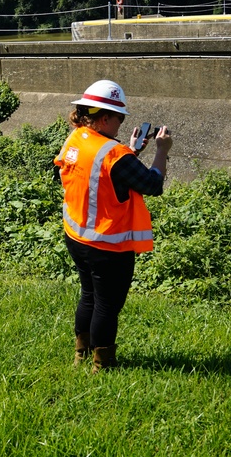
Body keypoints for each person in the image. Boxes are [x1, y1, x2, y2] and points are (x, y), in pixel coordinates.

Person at [54, 80, 172, 373]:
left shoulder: (76, 139)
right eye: (120, 118)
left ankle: (81, 354)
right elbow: (152, 184)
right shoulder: (114, 154)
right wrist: (161, 150)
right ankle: (102, 366)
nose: (121, 124)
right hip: (108, 245)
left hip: (77, 237)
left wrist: (132, 151)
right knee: (106, 305)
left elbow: (100, 175)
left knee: (89, 295)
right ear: (105, 118)